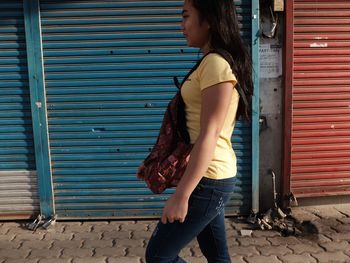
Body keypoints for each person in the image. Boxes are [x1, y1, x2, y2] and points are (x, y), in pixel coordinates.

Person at [145, 0, 253, 262]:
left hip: (209, 178)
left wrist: (182, 195)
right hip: (209, 175)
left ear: (209, 20)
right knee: (218, 257)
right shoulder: (209, 63)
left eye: (186, 17)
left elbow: (209, 134)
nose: (181, 25)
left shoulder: (216, 65)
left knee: (159, 256)